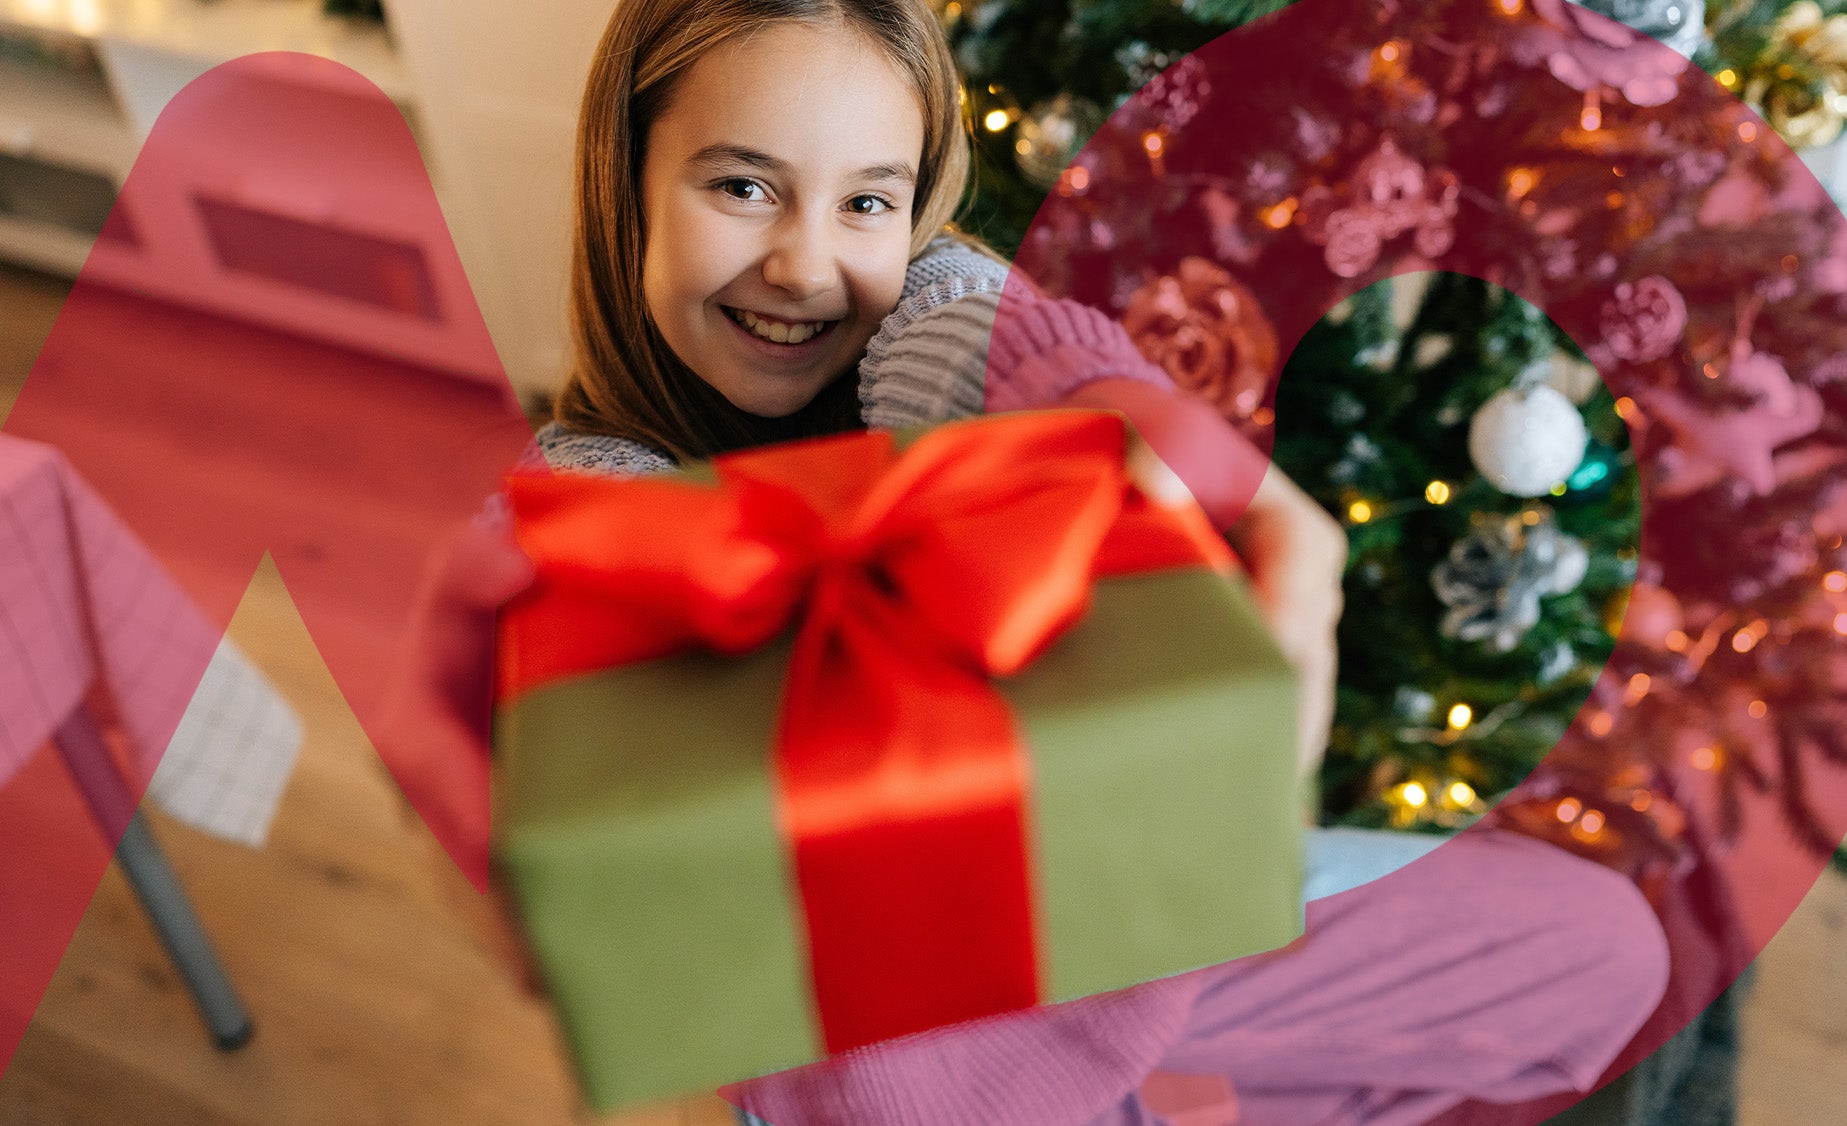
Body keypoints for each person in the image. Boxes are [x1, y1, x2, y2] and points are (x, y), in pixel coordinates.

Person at [384, 0, 1673, 1121]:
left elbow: (985, 328)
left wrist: (1149, 424)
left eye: (867, 200)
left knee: (1606, 950)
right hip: (916, 1084)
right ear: (624, 186)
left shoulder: (922, 312)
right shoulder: (572, 498)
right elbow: (563, 623)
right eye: (739, 185)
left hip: (1155, 951)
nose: (805, 263)